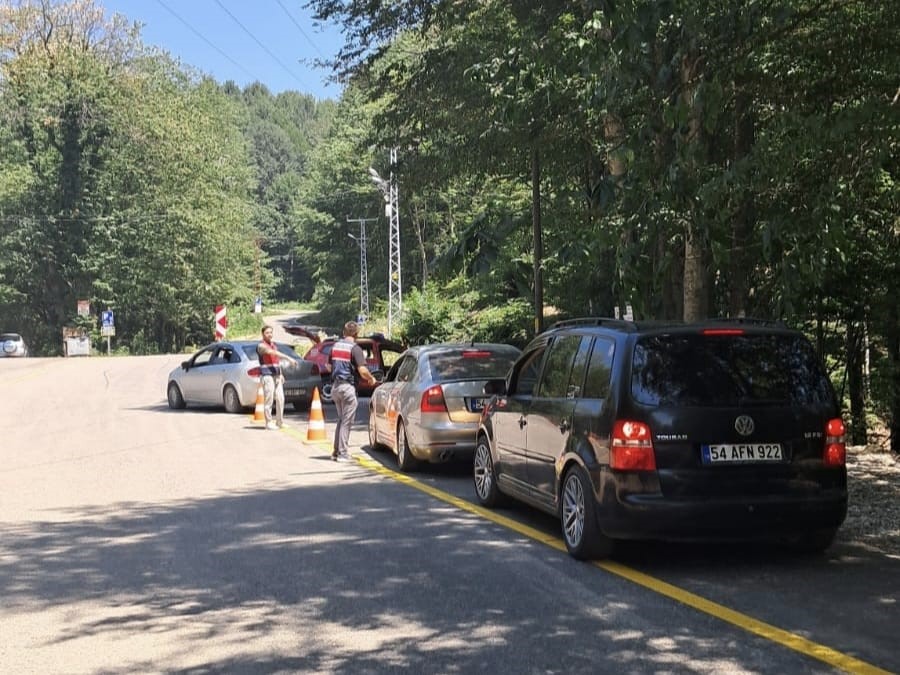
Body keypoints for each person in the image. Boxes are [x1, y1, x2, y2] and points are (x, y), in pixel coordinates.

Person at [330, 320, 376, 462]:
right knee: (346, 422)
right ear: (356, 334)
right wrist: (371, 379)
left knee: (341, 419)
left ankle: (336, 452)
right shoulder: (355, 349)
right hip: (347, 387)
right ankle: (343, 454)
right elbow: (362, 370)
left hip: (335, 387)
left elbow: (327, 365)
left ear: (344, 332)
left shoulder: (335, 346)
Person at [256, 325, 291, 430]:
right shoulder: (261, 346)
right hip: (267, 375)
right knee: (269, 399)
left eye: (271, 332)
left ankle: (280, 422)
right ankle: (268, 422)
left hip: (276, 375)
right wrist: (289, 358)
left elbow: (276, 361)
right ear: (263, 334)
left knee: (281, 398)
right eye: (267, 332)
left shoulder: (274, 345)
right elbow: (272, 353)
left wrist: (280, 374)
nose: (270, 334)